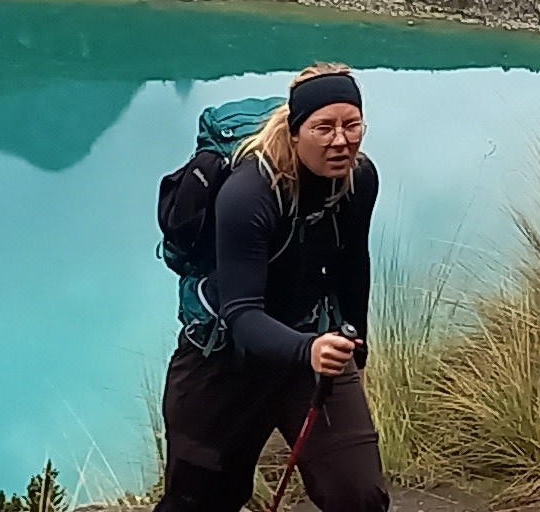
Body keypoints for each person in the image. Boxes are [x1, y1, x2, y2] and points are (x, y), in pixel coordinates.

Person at [153, 63, 386, 512]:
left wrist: (356, 346)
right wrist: (311, 350)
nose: (341, 140)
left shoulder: (359, 178)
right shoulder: (249, 192)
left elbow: (353, 264)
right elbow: (242, 315)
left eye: (351, 124)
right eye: (323, 127)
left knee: (358, 496)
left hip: (309, 348)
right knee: (197, 503)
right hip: (221, 362)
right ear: (296, 132)